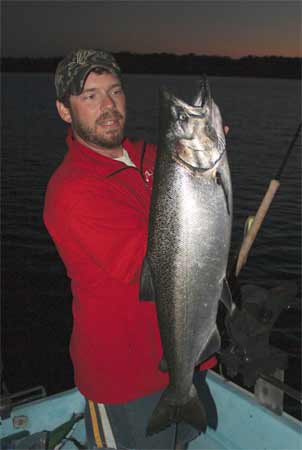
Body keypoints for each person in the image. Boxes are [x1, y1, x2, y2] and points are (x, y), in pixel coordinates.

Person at [44, 48, 218, 450]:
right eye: (90, 96)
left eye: (115, 91)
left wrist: (207, 162)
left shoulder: (154, 157)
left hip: (181, 361)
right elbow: (162, 265)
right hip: (124, 380)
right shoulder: (72, 190)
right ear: (64, 111)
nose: (108, 106)